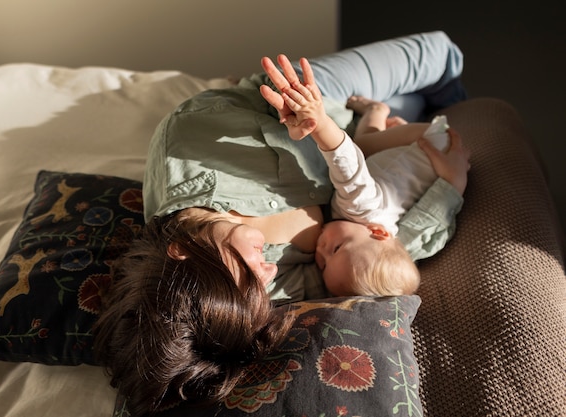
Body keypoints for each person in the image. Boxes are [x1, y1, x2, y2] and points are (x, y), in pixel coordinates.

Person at [94, 31, 470, 416]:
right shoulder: (249, 297)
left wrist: (314, 116)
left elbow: (297, 110)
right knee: (419, 105)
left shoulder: (191, 138)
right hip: (371, 160)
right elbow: (381, 257)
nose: (270, 273)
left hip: (323, 102)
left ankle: (446, 97)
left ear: (182, 252)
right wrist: (450, 185)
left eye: (247, 273)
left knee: (438, 55)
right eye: (261, 287)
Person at [297, 93, 470, 297]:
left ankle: (395, 138)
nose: (320, 251)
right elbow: (347, 165)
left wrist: (454, 181)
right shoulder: (361, 206)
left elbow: (435, 229)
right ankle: (376, 110)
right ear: (378, 232)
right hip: (433, 141)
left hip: (438, 162)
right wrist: (321, 125)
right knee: (359, 145)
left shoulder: (387, 247)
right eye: (335, 249)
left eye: (323, 266)